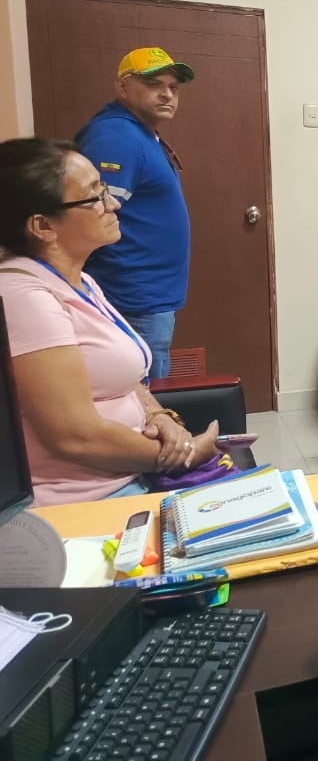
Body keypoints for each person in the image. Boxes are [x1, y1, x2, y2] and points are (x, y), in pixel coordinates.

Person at [0, 138, 220, 506]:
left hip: (132, 474)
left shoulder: (80, 281)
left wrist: (160, 417)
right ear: (43, 226)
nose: (113, 203)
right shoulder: (25, 298)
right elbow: (74, 437)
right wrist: (184, 454)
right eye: (95, 196)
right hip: (85, 502)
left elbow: (123, 378)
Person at [75, 47, 197, 378]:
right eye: (154, 84)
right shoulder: (115, 137)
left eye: (173, 87)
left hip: (147, 296)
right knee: (142, 396)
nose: (167, 94)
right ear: (122, 86)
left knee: (148, 389)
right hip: (131, 299)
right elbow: (88, 220)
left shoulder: (140, 133)